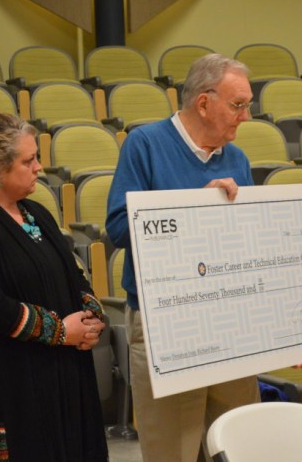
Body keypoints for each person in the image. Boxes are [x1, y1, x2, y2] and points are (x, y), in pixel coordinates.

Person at [105, 53, 260, 461]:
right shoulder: (145, 144)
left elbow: (250, 245)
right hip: (166, 324)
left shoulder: (238, 160)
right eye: (238, 104)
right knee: (172, 452)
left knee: (239, 443)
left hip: (231, 323)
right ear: (204, 103)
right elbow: (119, 228)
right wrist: (197, 206)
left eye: (248, 105)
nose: (246, 116)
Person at [0, 113, 108, 461]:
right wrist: (61, 331)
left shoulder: (35, 212)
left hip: (65, 374)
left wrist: (91, 316)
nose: (39, 168)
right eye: (29, 160)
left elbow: (73, 273)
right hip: (12, 385)